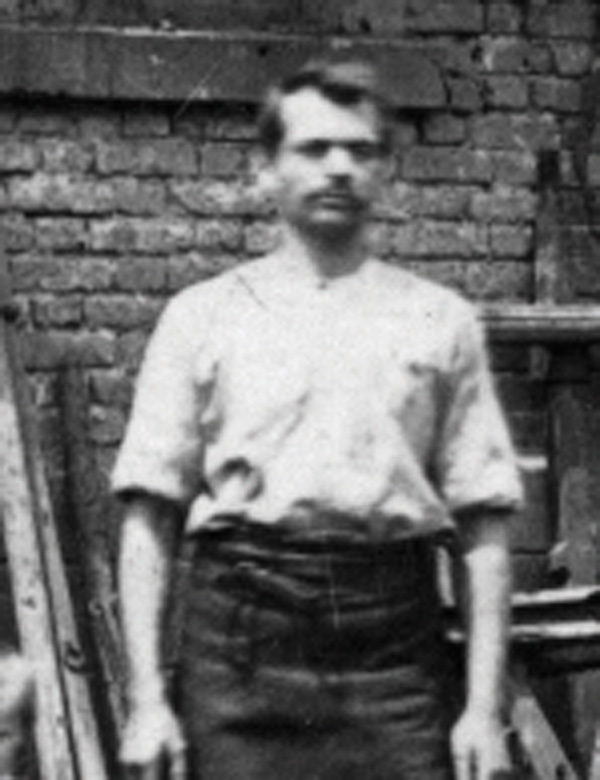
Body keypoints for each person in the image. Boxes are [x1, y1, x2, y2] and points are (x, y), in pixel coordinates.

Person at [112, 59, 523, 780]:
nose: (338, 168)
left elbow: (483, 529)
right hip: (240, 648)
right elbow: (150, 517)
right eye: (313, 148)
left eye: (359, 150)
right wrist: (147, 701)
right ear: (265, 170)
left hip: (392, 658)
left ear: (386, 171)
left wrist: (484, 712)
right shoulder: (203, 316)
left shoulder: (439, 321)